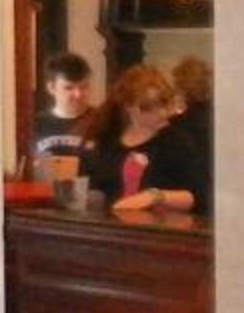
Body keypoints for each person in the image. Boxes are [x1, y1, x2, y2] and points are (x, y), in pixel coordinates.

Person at [79, 62, 210, 215]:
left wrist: (155, 196)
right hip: (112, 224)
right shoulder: (106, 142)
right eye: (149, 107)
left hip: (158, 227)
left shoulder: (176, 141)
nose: (162, 112)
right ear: (130, 108)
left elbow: (197, 196)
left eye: (164, 104)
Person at [29, 52, 95, 181]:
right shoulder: (35, 124)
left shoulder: (103, 121)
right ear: (51, 88)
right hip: (45, 191)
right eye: (69, 88)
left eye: (84, 87)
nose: (78, 94)